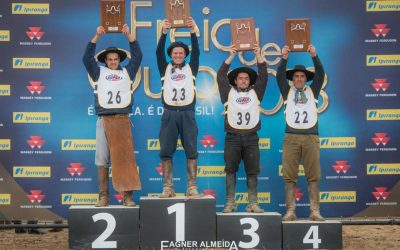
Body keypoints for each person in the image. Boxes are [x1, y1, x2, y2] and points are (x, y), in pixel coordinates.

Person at [83, 24, 142, 207]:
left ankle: (128, 197)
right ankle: (103, 196)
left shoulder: (127, 72)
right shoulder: (98, 72)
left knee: (125, 159)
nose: (113, 61)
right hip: (104, 119)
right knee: (102, 159)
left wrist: (128, 35)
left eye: (116, 59)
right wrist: (97, 36)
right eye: (110, 59)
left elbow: (138, 56)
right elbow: (86, 58)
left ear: (119, 60)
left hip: (122, 120)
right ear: (105, 61)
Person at [217, 44, 268, 213]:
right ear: (235, 81)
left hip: (251, 137)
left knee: (252, 170)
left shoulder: (256, 92)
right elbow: (220, 76)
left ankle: (252, 203)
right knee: (230, 170)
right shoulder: (228, 92)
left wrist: (258, 55)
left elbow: (264, 76)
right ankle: (230, 202)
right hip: (232, 137)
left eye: (246, 78)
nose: (244, 80)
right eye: (240, 78)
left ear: (249, 81)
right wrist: (231, 56)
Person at [277, 44, 325, 221]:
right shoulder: (286, 90)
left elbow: (320, 73)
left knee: (313, 175)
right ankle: (290, 211)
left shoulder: (314, 90)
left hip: (311, 136)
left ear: (306, 79)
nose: (298, 79)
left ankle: (315, 211)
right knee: (290, 175)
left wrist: (314, 55)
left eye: (302, 76)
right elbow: (279, 76)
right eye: (296, 76)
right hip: (291, 137)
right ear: (293, 79)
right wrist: (283, 58)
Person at [156, 17, 201, 198]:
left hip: (187, 113)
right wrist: (164, 32)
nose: (178, 55)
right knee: (166, 149)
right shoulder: (164, 68)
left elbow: (196, 51)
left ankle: (192, 187)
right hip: (169, 114)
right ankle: (168, 187)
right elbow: (158, 51)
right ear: (171, 55)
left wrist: (193, 31)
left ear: (185, 55)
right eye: (175, 53)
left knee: (191, 149)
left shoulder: (192, 68)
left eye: (181, 53)